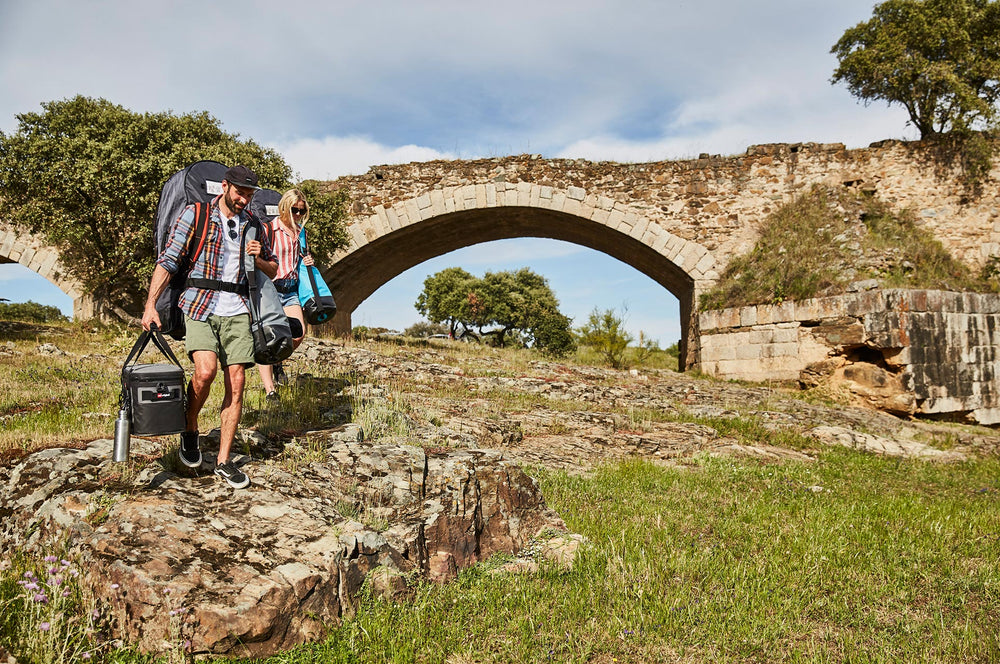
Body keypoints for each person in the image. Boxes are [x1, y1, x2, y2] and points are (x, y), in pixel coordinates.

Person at [141, 165, 278, 489]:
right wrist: (150, 305)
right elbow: (169, 260)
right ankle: (190, 428)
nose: (244, 199)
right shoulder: (196, 214)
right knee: (205, 372)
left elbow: (272, 269)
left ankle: (224, 461)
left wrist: (258, 258)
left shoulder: (254, 224)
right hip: (199, 303)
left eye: (249, 195)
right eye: (240, 192)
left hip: (239, 309)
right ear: (225, 187)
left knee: (238, 380)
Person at [256, 189, 314, 401]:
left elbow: (301, 257)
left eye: (301, 210)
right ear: (284, 207)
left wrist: (308, 260)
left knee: (297, 334)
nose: (298, 214)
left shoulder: (301, 232)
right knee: (268, 338)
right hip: (271, 288)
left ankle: (277, 361)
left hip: (291, 290)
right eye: (294, 210)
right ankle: (270, 389)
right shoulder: (268, 229)